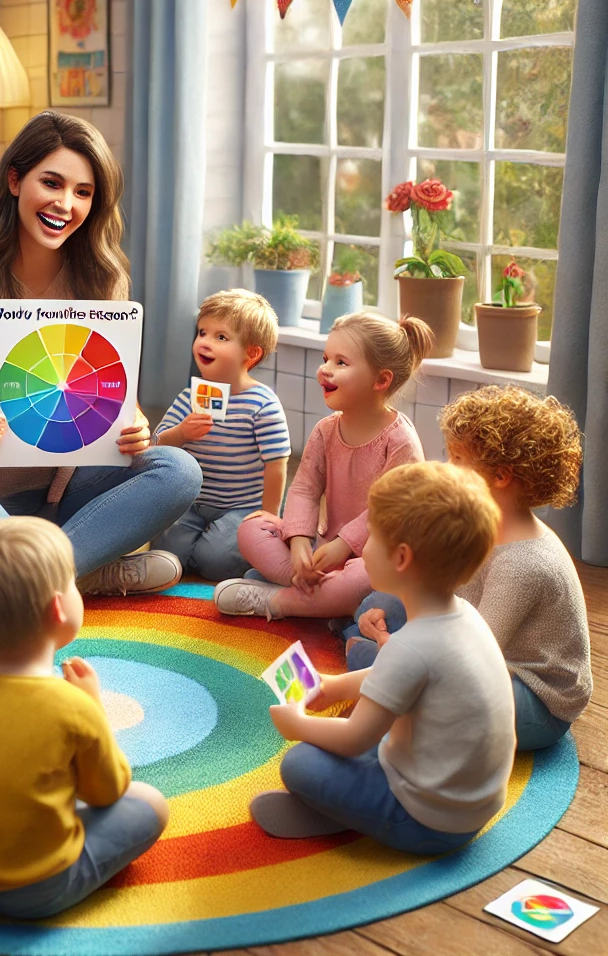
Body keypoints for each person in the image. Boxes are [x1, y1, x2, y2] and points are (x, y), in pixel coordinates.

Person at [0, 111, 201, 621]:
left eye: (83, 192)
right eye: (52, 183)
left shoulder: (104, 281)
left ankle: (26, 580)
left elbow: (108, 392)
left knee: (179, 469)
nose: (66, 204)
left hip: (64, 503)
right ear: (15, 180)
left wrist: (135, 424)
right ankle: (82, 573)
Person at [250, 462, 515, 854]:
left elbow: (356, 738)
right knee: (384, 723)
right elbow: (401, 676)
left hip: (428, 821)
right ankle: (350, 805)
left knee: (301, 762)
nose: (362, 547)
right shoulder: (460, 616)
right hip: (472, 802)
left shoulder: (411, 646)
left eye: (371, 537)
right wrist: (337, 684)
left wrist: (298, 726)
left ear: (402, 558)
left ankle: (348, 815)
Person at [0, 517, 168, 918]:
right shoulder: (72, 706)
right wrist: (93, 707)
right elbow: (107, 792)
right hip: (38, 889)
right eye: (74, 583)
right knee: (151, 803)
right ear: (59, 607)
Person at [343, 385, 590, 751]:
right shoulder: (482, 525)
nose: (447, 467)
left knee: (412, 684)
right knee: (374, 606)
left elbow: (469, 657)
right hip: (484, 644)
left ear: (501, 477)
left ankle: (366, 656)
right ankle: (368, 654)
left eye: (457, 459)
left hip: (533, 696)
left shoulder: (522, 565)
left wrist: (389, 648)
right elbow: (445, 592)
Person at [215, 312, 432, 619]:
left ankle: (281, 601)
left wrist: (345, 545)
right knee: (252, 527)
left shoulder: (401, 442)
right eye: (326, 358)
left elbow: (389, 512)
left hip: (371, 559)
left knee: (363, 582)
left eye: (340, 363)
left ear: (381, 380)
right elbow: (303, 489)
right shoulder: (325, 430)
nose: (324, 370)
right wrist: (300, 543)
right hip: (324, 545)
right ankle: (313, 591)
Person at [150, 289, 290, 581]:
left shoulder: (262, 403)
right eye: (202, 332)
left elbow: (276, 464)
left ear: (251, 353)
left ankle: (231, 549)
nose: (205, 342)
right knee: (166, 553)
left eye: (221, 337)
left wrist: (268, 516)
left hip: (242, 506)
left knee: (215, 563)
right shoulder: (191, 396)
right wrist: (182, 432)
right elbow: (157, 445)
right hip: (191, 502)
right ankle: (200, 545)